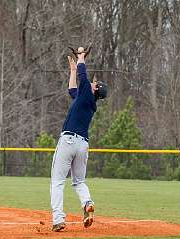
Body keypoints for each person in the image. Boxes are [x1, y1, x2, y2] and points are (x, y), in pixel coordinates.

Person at [50, 47, 107, 232]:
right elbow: (71, 90)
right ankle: (87, 203)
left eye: (95, 83)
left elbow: (84, 74)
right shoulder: (86, 99)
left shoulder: (87, 93)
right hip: (83, 145)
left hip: (68, 141)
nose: (92, 82)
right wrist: (73, 71)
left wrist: (81, 56)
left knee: (58, 181)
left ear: (95, 89)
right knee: (79, 181)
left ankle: (58, 219)